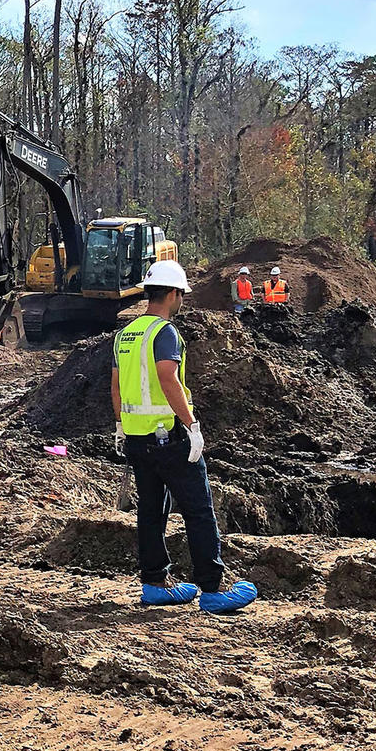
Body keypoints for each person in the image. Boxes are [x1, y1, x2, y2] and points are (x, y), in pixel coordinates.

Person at [111, 259, 258, 615]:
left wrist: (120, 425)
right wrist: (191, 425)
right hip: (170, 438)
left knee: (150, 511)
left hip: (137, 439)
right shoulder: (165, 332)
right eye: (181, 295)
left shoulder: (124, 334)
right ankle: (212, 588)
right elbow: (167, 378)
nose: (182, 302)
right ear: (174, 294)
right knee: (198, 510)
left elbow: (115, 386)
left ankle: (155, 584)